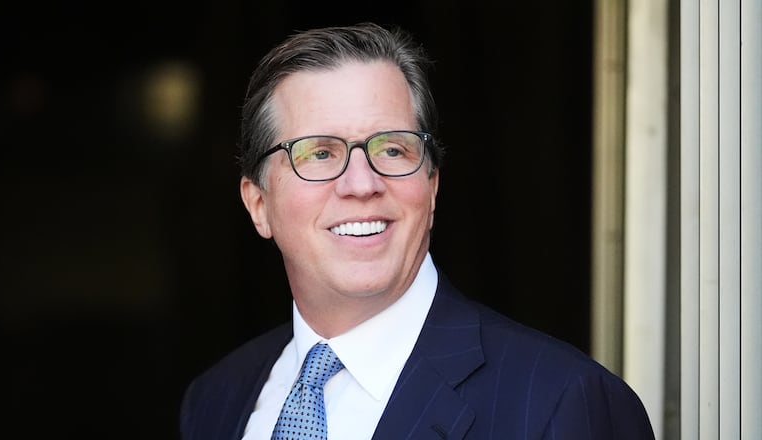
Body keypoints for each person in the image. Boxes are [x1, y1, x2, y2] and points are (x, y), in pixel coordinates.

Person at [180, 22, 655, 439]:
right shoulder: (216, 399)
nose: (361, 184)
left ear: (431, 188)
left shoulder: (565, 400)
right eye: (320, 153)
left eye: (392, 149)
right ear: (258, 204)